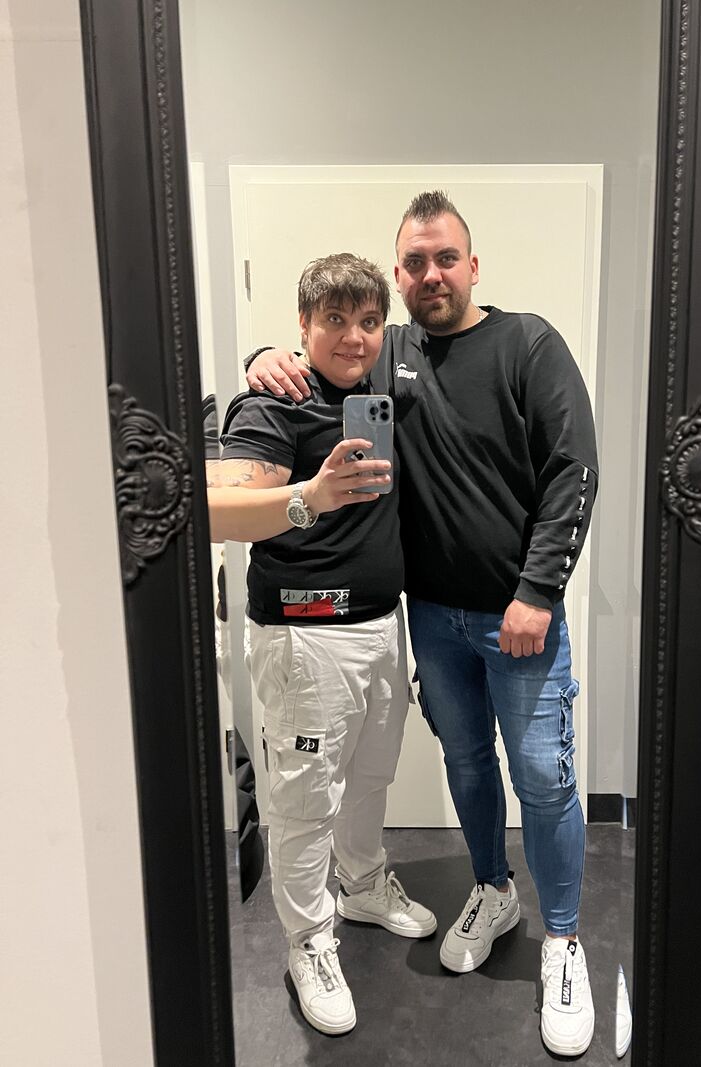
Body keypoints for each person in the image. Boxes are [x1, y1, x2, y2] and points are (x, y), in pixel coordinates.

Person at [246, 191, 599, 1057]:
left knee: (543, 777)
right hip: (432, 619)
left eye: (445, 258)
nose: (430, 273)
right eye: (414, 262)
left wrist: (538, 591)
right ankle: (492, 888)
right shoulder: (390, 349)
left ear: (472, 265)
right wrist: (262, 356)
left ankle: (563, 938)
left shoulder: (529, 343)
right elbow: (324, 353)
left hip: (520, 617)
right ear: (399, 275)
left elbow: (573, 469)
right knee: (468, 763)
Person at [206, 252, 437, 1037]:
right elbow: (216, 508)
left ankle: (363, 885)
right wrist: (309, 497)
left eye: (368, 320)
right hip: (304, 639)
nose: (353, 336)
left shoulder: (384, 387)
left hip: (381, 627)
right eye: (334, 319)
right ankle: (309, 940)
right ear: (303, 325)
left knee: (370, 777)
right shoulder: (275, 401)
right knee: (305, 804)